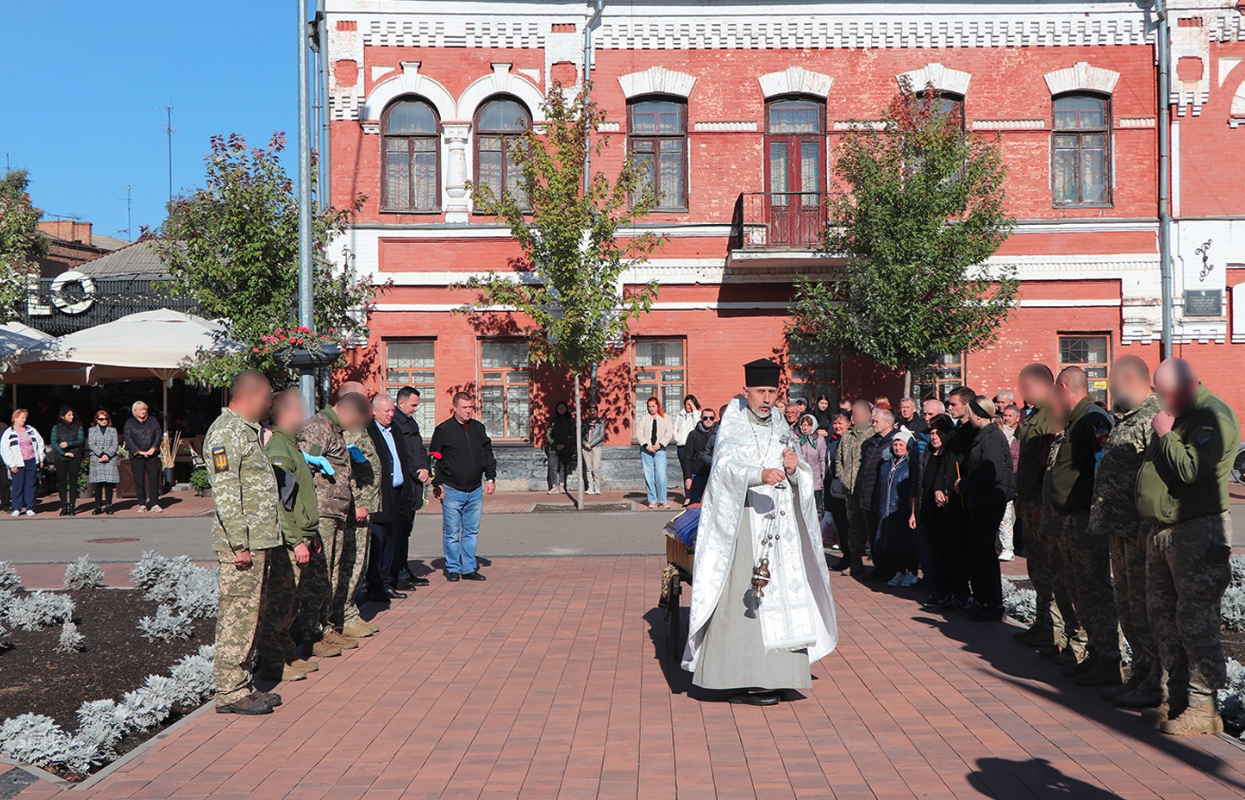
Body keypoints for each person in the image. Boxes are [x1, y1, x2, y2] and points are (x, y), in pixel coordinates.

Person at [683, 359, 837, 706]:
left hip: (780, 525)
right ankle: (739, 678)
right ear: (747, 391)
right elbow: (724, 467)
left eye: (771, 392)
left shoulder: (782, 423)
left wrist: (795, 470)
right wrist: (758, 474)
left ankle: (780, 676)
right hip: (747, 523)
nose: (766, 398)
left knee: (782, 598)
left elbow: (800, 468)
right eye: (760, 391)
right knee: (745, 600)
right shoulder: (733, 422)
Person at [1136, 358, 1239, 736]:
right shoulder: (1178, 414)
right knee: (1162, 616)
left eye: (1166, 394)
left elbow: (1192, 471)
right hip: (1166, 530)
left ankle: (1204, 706)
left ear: (1188, 385)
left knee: (1195, 621)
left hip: (1198, 532)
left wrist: (1167, 434)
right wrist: (1151, 521)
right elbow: (1159, 473)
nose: (1162, 402)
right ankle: (1177, 697)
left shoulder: (1214, 417)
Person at [205, 370, 282, 715]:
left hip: (257, 541)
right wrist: (239, 544)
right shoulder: (226, 433)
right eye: (267, 399)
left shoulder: (245, 433)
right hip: (242, 546)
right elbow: (225, 494)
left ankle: (243, 683)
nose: (269, 406)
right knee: (238, 618)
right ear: (250, 396)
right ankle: (230, 691)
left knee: (252, 616)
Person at [1091, 356, 1162, 708]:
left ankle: (1155, 681)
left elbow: (1158, 477)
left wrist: (1146, 525)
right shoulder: (1127, 419)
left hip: (1137, 531)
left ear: (1129, 378)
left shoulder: (1154, 417)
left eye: (1112, 383)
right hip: (1118, 529)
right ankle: (1138, 674)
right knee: (1128, 608)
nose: (1109, 390)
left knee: (1144, 608)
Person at [1046, 367, 1122, 685]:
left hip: (1086, 520)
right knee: (1080, 588)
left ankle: (1109, 660)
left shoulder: (1092, 419)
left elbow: (1105, 468)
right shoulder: (1076, 419)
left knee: (1094, 589)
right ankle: (1095, 652)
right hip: (1072, 519)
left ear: (1064, 388)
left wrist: (1098, 516)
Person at [298, 390, 371, 655]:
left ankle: (325, 626)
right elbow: (304, 466)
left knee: (331, 573)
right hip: (323, 512)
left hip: (336, 512)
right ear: (349, 412)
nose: (356, 428)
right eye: (358, 421)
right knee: (321, 575)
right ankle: (310, 633)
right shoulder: (320, 426)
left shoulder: (334, 429)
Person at [258, 388, 323, 683]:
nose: (304, 414)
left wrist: (312, 533)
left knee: (291, 605)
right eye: (299, 408)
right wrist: (296, 540)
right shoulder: (279, 451)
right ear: (285, 413)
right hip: (288, 543)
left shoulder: (291, 446)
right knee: (280, 606)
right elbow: (280, 504)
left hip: (302, 537)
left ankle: (286, 653)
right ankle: (272, 662)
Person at [1012, 364, 1073, 654]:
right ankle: (1043, 624)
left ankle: (1055, 630)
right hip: (1030, 500)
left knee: (1050, 569)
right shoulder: (1035, 414)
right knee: (1037, 568)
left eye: (1026, 387)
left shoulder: (1052, 414)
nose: (1022, 393)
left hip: (1042, 502)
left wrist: (1038, 501)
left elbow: (1047, 463)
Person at [953, 396, 1014, 621]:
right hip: (980, 501)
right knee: (978, 551)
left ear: (978, 414)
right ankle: (983, 600)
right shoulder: (983, 435)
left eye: (970, 413)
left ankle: (992, 603)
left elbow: (991, 474)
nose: (967, 417)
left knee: (984, 552)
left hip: (989, 502)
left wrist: (965, 485)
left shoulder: (992, 438)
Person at [430, 392, 497, 582]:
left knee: (471, 531)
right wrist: (437, 483)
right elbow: (435, 458)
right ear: (455, 408)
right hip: (452, 489)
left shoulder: (478, 429)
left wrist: (490, 478)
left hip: (475, 489)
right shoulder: (443, 430)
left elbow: (488, 454)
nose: (468, 411)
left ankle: (468, 568)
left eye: (471, 407)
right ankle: (452, 567)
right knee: (451, 532)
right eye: (465, 407)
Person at [367, 394, 420, 603]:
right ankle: (375, 585)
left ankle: (389, 582)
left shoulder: (395, 430)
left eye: (392, 411)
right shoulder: (369, 432)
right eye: (387, 411)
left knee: (393, 540)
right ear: (374, 411)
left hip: (398, 493)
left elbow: (403, 460)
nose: (391, 414)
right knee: (379, 541)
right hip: (380, 495)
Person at [392, 386, 431, 587]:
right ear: (401, 403)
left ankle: (404, 569)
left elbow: (419, 449)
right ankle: (396, 572)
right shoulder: (396, 424)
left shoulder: (410, 423)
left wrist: (426, 469)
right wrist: (417, 471)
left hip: (416, 482)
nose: (416, 408)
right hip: (405, 484)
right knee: (398, 532)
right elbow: (403, 454)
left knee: (406, 530)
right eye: (413, 404)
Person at [916, 414, 956, 608]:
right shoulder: (927, 455)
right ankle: (938, 590)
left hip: (944, 512)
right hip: (928, 512)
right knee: (933, 554)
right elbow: (920, 484)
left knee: (946, 555)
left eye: (938, 432)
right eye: (931, 432)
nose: (934, 436)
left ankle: (948, 591)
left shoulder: (948, 457)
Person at [856, 407, 898, 580]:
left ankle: (888, 569)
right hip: (867, 495)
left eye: (876, 421)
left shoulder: (895, 442)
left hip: (882, 497)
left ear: (888, 423)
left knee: (883, 534)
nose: (873, 424)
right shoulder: (872, 442)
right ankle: (878, 567)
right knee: (872, 533)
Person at [832, 400, 873, 575]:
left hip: (868, 491)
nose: (853, 417)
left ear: (866, 414)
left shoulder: (873, 434)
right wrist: (843, 478)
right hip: (850, 491)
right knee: (853, 529)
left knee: (871, 528)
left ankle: (879, 565)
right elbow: (838, 460)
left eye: (856, 414)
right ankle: (855, 563)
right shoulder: (847, 436)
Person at [878, 429, 919, 587]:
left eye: (901, 444)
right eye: (895, 444)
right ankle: (899, 571)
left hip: (904, 508)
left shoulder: (911, 464)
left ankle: (912, 572)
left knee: (907, 542)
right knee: (893, 542)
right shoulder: (887, 464)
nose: (897, 447)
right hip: (888, 508)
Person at [1, 409, 45, 517]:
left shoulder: (30, 430)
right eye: (22, 418)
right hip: (18, 463)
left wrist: (40, 457)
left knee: (30, 485)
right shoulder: (9, 433)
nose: (24, 420)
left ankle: (30, 507)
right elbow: (5, 450)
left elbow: (40, 442)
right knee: (17, 485)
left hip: (31, 460)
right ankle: (16, 507)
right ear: (15, 418)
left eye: (25, 418)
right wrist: (11, 464)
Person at [123, 400, 164, 513]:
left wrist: (153, 448)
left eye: (144, 409)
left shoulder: (153, 420)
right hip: (137, 455)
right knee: (139, 479)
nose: (143, 412)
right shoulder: (129, 423)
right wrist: (138, 451)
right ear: (135, 411)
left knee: (154, 478)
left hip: (152, 454)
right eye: (141, 409)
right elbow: (128, 438)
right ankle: (142, 503)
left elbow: (158, 434)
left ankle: (155, 503)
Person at [637, 396, 674, 509]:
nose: (651, 408)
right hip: (646, 450)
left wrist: (660, 444)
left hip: (660, 450)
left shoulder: (666, 418)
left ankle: (663, 500)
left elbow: (669, 433)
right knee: (649, 475)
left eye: (653, 406)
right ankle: (652, 500)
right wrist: (646, 445)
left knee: (661, 475)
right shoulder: (644, 418)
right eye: (649, 407)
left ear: (658, 406)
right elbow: (639, 432)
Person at [824, 410, 851, 554]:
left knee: (848, 526)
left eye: (840, 423)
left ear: (849, 423)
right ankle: (845, 555)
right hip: (834, 489)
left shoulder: (851, 441)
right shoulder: (832, 441)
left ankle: (852, 558)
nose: (837, 426)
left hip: (846, 490)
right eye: (835, 423)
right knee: (839, 525)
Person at [681, 406, 718, 504]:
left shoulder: (719, 435)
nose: (708, 420)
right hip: (696, 475)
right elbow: (688, 458)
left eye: (711, 418)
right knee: (695, 505)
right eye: (705, 418)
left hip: (713, 476)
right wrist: (688, 478)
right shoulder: (693, 435)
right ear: (701, 419)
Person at [50, 406, 84, 516]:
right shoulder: (56, 427)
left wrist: (68, 444)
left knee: (73, 482)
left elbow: (80, 440)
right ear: (62, 417)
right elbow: (54, 442)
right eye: (69, 415)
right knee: (62, 483)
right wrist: (63, 452)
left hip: (75, 456)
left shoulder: (78, 427)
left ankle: (72, 506)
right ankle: (64, 505)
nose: (71, 417)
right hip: (61, 457)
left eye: (72, 414)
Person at [996, 408, 1019, 562]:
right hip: (996, 483)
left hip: (1006, 482)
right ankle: (1000, 547)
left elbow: (1014, 462)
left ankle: (1008, 548)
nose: (1006, 418)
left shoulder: (1011, 440)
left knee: (1006, 518)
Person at [86, 410, 119, 515]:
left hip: (110, 458)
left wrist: (107, 455)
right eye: (101, 419)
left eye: (106, 419)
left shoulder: (113, 430)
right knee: (98, 484)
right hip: (97, 458)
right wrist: (101, 454)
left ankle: (109, 505)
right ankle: (98, 506)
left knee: (109, 484)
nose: (104, 421)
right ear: (96, 420)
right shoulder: (91, 431)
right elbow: (91, 444)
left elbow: (115, 444)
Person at [794, 414, 827, 518]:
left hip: (815, 479)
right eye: (803, 425)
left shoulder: (819, 439)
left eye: (808, 425)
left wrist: (823, 479)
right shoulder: (795, 439)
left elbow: (823, 460)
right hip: (800, 479)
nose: (805, 428)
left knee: (815, 510)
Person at [674, 395, 700, 505]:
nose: (689, 406)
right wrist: (677, 438)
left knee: (694, 472)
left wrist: (694, 410)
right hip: (682, 446)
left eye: (691, 404)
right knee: (686, 472)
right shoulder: (680, 415)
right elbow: (675, 428)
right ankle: (688, 496)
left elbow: (697, 425)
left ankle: (696, 495)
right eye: (687, 404)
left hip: (693, 447)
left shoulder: (697, 414)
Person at [545, 400, 575, 495]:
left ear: (566, 409)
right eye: (559, 408)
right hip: (553, 449)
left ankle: (562, 485)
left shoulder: (570, 421)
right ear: (557, 409)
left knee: (564, 467)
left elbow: (572, 434)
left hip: (566, 448)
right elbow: (548, 434)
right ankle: (554, 486)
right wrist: (555, 444)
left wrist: (564, 444)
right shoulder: (553, 421)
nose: (561, 410)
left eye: (563, 408)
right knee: (552, 466)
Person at [581, 404, 605, 495]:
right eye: (590, 411)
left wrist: (590, 444)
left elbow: (601, 435)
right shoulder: (585, 422)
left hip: (596, 447)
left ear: (597, 411)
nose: (592, 413)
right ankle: (590, 487)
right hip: (586, 447)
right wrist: (585, 444)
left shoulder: (600, 423)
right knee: (588, 468)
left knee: (595, 468)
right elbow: (581, 435)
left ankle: (597, 487)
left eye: (594, 411)